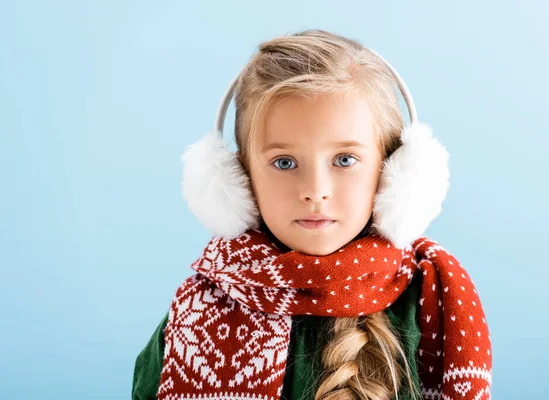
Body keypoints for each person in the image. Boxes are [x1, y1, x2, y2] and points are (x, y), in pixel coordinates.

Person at [132, 28, 492, 400]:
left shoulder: (431, 302)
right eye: (284, 162)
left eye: (345, 159)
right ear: (239, 178)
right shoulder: (194, 318)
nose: (315, 190)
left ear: (394, 171)